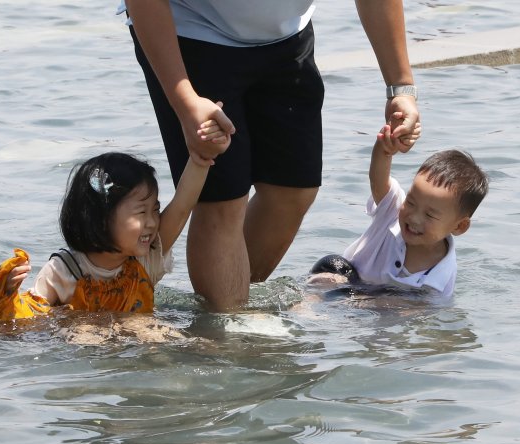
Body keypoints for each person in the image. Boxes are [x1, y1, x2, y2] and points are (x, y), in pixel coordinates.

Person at [122, 0, 421, 310]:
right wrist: (185, 102)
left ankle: (227, 311)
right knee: (223, 202)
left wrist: (401, 89)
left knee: (293, 190)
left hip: (287, 39)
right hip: (192, 32)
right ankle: (221, 334)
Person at [0, 119, 230, 320]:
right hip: (85, 351)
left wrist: (201, 156)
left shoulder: (146, 258)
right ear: (100, 218)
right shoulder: (63, 270)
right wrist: (8, 292)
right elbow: (27, 318)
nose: (153, 222)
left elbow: (183, 204)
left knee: (153, 331)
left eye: (155, 210)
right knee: (84, 334)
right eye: (141, 213)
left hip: (140, 345)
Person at [308, 118, 489, 297]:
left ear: (459, 226)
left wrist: (369, 303)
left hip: (383, 305)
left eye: (429, 215)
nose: (414, 217)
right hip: (345, 279)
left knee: (408, 301)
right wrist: (385, 150)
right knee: (331, 266)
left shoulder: (440, 276)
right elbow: (378, 180)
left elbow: (424, 314)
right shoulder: (393, 212)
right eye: (410, 202)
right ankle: (303, 309)